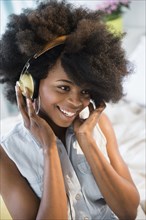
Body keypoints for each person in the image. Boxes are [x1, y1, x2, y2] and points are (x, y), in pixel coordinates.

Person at [0, 0, 140, 219]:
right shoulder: (7, 153)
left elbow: (128, 211)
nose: (76, 101)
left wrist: (87, 140)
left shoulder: (99, 125)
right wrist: (50, 149)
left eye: (85, 91)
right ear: (30, 84)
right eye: (63, 87)